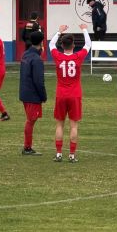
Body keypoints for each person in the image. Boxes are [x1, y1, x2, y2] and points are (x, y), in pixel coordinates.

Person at [49, 24, 91, 162]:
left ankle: (59, 154)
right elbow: (88, 44)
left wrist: (59, 31)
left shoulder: (58, 56)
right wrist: (84, 29)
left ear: (62, 46)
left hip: (61, 94)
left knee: (59, 125)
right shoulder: (78, 56)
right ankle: (72, 155)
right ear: (73, 45)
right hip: (74, 95)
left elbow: (51, 44)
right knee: (73, 125)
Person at [19, 30, 47, 155]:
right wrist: (43, 96)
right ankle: (27, 147)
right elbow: (38, 81)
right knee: (31, 120)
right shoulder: (37, 59)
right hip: (32, 95)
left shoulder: (25, 54)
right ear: (41, 42)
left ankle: (27, 146)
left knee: (30, 120)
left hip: (25, 92)